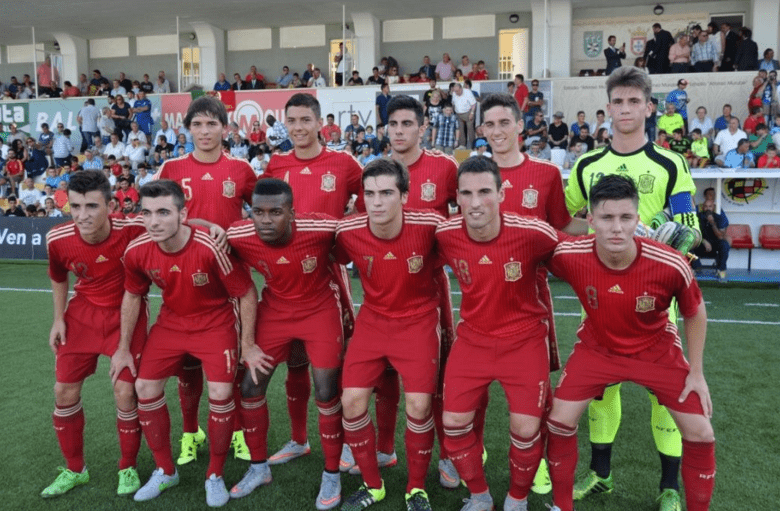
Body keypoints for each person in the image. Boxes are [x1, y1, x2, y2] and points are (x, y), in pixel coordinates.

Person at [565, 66, 700, 511]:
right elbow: (565, 220)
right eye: (617, 102)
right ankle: (601, 476)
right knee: (603, 391)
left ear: (648, 107)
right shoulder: (586, 165)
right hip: (599, 299)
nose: (625, 110)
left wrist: (666, 233)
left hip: (655, 301)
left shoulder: (670, 163)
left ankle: (669, 488)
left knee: (667, 395)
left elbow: (690, 229)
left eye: (633, 101)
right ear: (608, 108)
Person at [546, 174, 715, 511]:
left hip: (656, 350)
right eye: (607, 218)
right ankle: (562, 506)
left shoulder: (669, 263)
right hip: (598, 348)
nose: (616, 228)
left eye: (626, 218)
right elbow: (533, 255)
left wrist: (696, 373)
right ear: (590, 220)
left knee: (701, 433)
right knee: (559, 422)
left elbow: (695, 313)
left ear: (638, 219)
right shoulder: (569, 254)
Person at [117, 180, 256, 506]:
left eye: (164, 212)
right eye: (147, 213)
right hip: (171, 325)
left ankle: (215, 475)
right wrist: (123, 347)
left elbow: (246, 292)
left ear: (183, 214)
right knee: (144, 388)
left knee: (221, 393)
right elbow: (132, 295)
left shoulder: (208, 247)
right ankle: (166, 471)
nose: (154, 221)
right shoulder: (137, 251)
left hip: (215, 324)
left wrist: (247, 344)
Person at [436, 156, 561, 511]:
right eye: (467, 194)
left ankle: (517, 498)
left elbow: (577, 255)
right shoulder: (445, 234)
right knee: (454, 423)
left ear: (503, 193)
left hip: (523, 342)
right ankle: (479, 495)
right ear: (456, 197)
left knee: (525, 429)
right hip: (473, 339)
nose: (475, 203)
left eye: (485, 192)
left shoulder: (533, 232)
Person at [225, 179, 344, 509]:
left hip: (319, 309)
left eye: (275, 212)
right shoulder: (239, 235)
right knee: (250, 386)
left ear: (292, 213)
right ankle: (259, 467)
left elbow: (352, 234)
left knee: (325, 390)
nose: (265, 220)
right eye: (257, 212)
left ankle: (332, 472)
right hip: (275, 311)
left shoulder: (320, 229)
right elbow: (204, 233)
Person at [335, 159, 443, 511]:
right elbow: (317, 241)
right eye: (369, 194)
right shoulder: (348, 231)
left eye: (386, 193)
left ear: (405, 196)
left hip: (418, 322)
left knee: (419, 405)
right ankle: (373, 485)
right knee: (350, 403)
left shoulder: (430, 226)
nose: (376, 202)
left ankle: (415, 488)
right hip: (373, 322)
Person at [155, 96, 258, 466]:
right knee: (188, 364)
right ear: (187, 129)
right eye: (197, 124)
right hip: (184, 278)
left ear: (225, 129)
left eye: (212, 124)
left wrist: (235, 233)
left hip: (230, 277)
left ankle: (238, 432)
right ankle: (190, 432)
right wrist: (200, 226)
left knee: (232, 361)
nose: (204, 131)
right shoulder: (171, 166)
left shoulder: (242, 169)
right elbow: (154, 215)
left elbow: (259, 216)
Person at [262, 93, 362, 467]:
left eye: (306, 120)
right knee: (295, 362)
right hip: (286, 279)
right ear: (284, 124)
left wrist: (347, 233)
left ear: (320, 123)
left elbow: (367, 199)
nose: (299, 128)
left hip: (328, 277)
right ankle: (298, 440)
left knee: (334, 363)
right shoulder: (276, 163)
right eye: (292, 121)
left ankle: (349, 442)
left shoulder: (343, 163)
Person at [41, 171, 148, 499]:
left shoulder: (133, 229)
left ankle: (127, 465)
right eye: (75, 206)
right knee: (64, 392)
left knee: (125, 393)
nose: (82, 215)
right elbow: (59, 277)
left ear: (111, 205)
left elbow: (175, 224)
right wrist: (58, 319)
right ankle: (75, 469)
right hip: (82, 317)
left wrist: (211, 227)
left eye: (91, 206)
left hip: (127, 317)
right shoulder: (58, 238)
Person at [692, 197, 730, 282]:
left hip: (714, 244)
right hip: (700, 244)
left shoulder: (718, 217)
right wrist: (703, 241)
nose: (707, 209)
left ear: (713, 207)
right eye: (705, 206)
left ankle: (721, 271)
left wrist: (712, 223)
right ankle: (696, 267)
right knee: (688, 244)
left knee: (724, 244)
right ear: (703, 207)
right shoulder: (697, 217)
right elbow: (693, 233)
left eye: (710, 206)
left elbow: (720, 236)